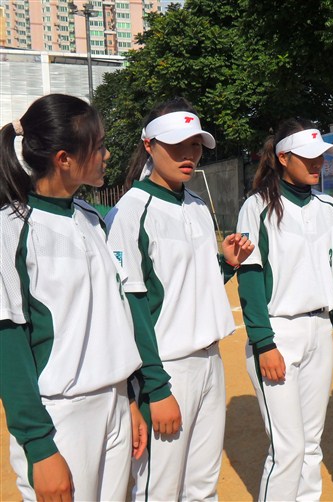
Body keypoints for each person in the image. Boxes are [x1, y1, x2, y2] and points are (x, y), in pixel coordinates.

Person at [105, 97, 253, 501]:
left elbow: (192, 286)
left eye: (195, 145)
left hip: (210, 361)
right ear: (149, 145)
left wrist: (227, 264)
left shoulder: (197, 205)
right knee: (159, 488)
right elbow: (131, 306)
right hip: (168, 367)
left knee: (203, 487)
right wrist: (156, 387)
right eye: (176, 146)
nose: (189, 155)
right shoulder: (131, 211)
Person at [0, 94, 146, 501]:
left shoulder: (93, 219)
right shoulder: (10, 228)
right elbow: (8, 341)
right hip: (61, 416)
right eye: (98, 146)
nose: (106, 154)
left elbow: (113, 320)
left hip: (116, 403)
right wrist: (38, 445)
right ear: (64, 158)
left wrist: (129, 399)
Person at [236, 118, 333, 501]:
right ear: (284, 157)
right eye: (308, 157)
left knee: (311, 443)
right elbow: (250, 278)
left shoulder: (327, 206)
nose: (318, 163)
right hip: (278, 333)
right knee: (287, 448)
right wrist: (263, 342)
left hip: (319, 328)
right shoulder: (257, 206)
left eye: (321, 156)